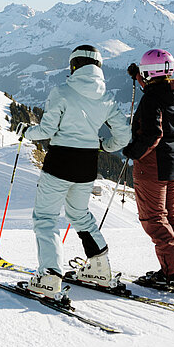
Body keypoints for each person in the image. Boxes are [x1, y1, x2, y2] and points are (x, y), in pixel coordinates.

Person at [16, 45, 130, 300]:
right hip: (87, 165)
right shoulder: (107, 97)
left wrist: (25, 132)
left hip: (60, 163)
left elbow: (46, 130)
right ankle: (99, 267)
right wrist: (104, 145)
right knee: (79, 214)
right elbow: (124, 135)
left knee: (46, 218)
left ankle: (49, 277)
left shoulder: (62, 92)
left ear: (74, 66)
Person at [123, 49, 174, 292]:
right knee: (171, 215)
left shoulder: (152, 99)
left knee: (154, 219)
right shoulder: (173, 93)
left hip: (153, 167)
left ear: (149, 71)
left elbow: (153, 134)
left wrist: (133, 151)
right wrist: (139, 78)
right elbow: (156, 93)